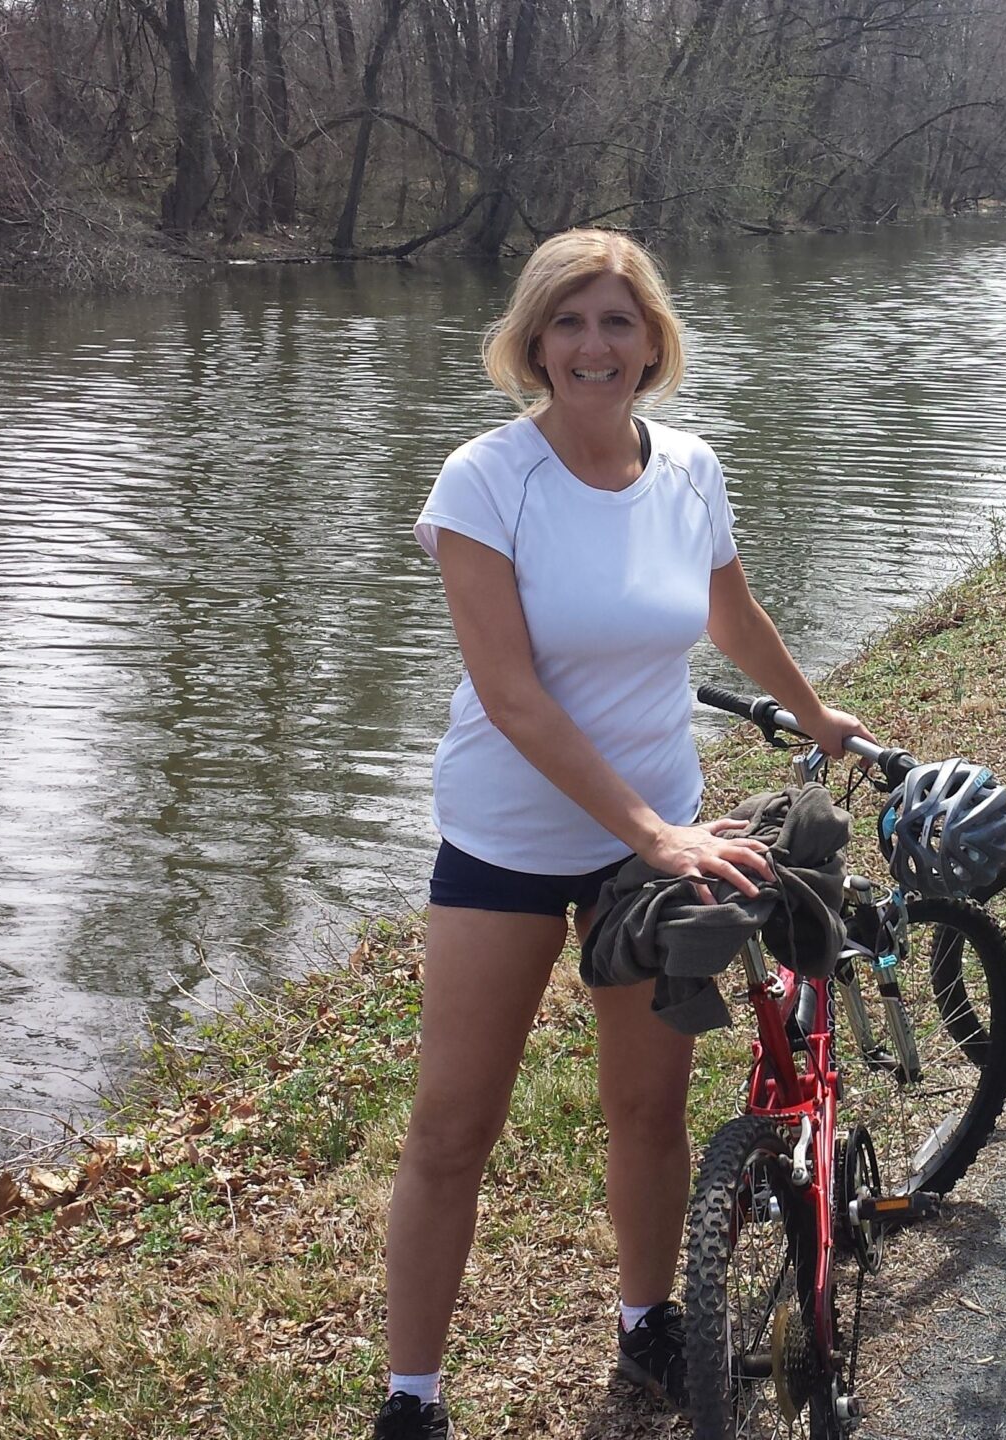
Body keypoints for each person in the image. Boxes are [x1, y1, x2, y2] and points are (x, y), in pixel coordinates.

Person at [374, 229, 868, 1440]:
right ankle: (411, 1400)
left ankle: (649, 1323)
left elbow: (730, 611)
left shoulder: (689, 468)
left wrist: (811, 713)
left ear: (653, 342)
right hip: (509, 844)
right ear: (533, 342)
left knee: (646, 1112)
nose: (594, 346)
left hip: (651, 845)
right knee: (453, 1127)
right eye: (569, 322)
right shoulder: (486, 481)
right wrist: (650, 832)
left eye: (618, 322)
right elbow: (511, 693)